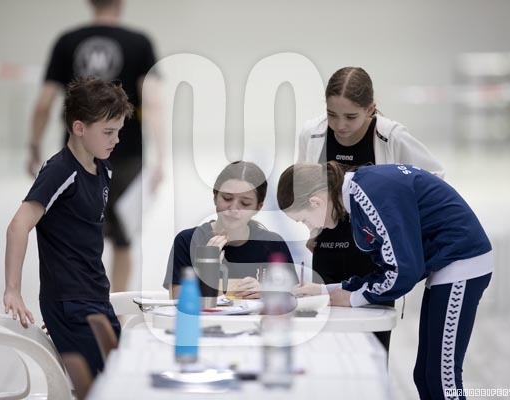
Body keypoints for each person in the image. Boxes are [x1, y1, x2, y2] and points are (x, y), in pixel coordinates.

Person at [277, 161, 493, 399]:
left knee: (442, 377)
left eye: (304, 220)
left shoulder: (370, 194)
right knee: (425, 375)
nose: (310, 227)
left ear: (316, 202)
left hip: (461, 261)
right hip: (446, 264)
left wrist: (352, 298)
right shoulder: (360, 194)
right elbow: (385, 270)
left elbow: (403, 271)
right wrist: (326, 290)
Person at [296, 66, 444, 351]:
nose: (340, 125)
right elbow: (304, 188)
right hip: (327, 252)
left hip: (375, 260)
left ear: (371, 109)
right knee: (326, 348)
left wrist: (407, 236)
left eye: (351, 117)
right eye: (331, 114)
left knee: (373, 349)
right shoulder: (311, 134)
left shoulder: (393, 136)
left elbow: (434, 180)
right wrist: (313, 230)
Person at [28, 0, 164, 293]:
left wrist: (33, 146)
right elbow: (153, 103)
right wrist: (162, 158)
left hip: (78, 156)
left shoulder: (67, 41)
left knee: (79, 236)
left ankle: (84, 305)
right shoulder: (139, 43)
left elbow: (43, 104)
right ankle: (116, 307)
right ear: (121, 4)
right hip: (126, 154)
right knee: (123, 239)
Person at [4, 77, 134, 376]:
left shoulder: (103, 168)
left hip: (94, 295)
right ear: (79, 128)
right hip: (72, 301)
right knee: (105, 383)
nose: (116, 140)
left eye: (118, 131)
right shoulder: (60, 171)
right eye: (108, 132)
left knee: (117, 375)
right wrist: (13, 290)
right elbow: (18, 226)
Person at [164, 161, 297, 299]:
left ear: (258, 207)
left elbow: (294, 295)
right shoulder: (188, 240)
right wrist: (207, 270)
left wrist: (268, 291)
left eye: (245, 203)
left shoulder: (273, 243)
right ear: (215, 197)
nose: (233, 208)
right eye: (227, 198)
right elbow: (177, 299)